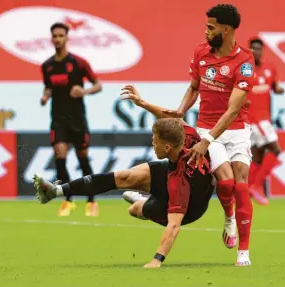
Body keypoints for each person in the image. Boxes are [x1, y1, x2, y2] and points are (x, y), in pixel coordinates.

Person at [34, 85, 214, 268]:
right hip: (173, 172)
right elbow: (172, 118)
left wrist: (157, 260)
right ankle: (55, 191)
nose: (152, 143)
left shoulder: (179, 182)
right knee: (124, 176)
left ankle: (144, 201)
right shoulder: (187, 136)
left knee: (134, 210)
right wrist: (142, 103)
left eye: (155, 140)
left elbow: (175, 225)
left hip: (191, 207)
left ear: (167, 147)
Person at [163, 4, 255, 266]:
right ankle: (229, 217)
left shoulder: (245, 61)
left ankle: (244, 252)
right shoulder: (201, 53)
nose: (206, 31)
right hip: (205, 127)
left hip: (235, 131)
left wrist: (207, 141)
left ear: (226, 30)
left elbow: (233, 109)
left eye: (211, 27)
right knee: (225, 184)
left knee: (241, 185)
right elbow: (194, 88)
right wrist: (181, 111)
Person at [40, 22, 102, 217]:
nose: (57, 39)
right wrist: (46, 95)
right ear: (51, 39)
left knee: (83, 160)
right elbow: (49, 86)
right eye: (55, 36)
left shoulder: (78, 63)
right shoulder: (47, 66)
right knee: (60, 159)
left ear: (67, 38)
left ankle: (91, 201)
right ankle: (68, 200)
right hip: (58, 119)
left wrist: (84, 91)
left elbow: (98, 84)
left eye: (61, 35)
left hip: (77, 119)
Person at [246, 37, 285, 206]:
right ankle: (257, 186)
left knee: (258, 155)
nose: (256, 51)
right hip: (253, 118)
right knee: (276, 149)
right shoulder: (245, 70)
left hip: (265, 118)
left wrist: (279, 90)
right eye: (253, 48)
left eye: (259, 48)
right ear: (249, 50)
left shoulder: (270, 67)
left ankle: (246, 189)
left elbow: (274, 87)